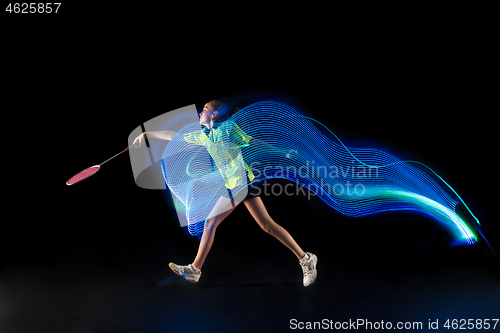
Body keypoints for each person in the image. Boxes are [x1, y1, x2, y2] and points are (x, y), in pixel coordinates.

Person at [133, 100, 318, 287]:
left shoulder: (229, 128)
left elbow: (254, 142)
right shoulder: (206, 136)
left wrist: (283, 153)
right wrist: (147, 134)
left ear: (214, 114)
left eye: (205, 109)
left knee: (229, 224)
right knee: (256, 225)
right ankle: (305, 258)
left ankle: (196, 269)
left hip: (243, 181)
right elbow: (174, 135)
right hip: (233, 185)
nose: (200, 113)